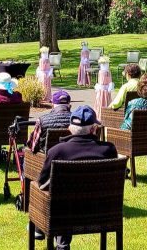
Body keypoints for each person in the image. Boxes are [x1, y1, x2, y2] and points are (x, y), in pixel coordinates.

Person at [35, 105, 118, 250]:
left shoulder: (57, 151)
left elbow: (42, 184)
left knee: (57, 198)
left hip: (64, 215)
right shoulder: (108, 150)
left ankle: (61, 243)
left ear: (70, 128)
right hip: (101, 211)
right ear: (93, 129)